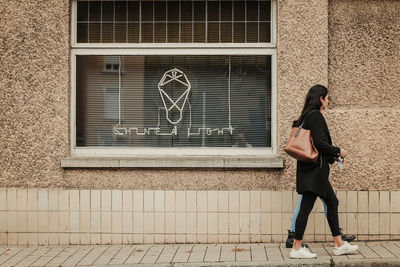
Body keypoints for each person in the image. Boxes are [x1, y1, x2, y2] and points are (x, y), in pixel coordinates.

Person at [289, 85, 359, 259]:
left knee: (332, 202)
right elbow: (320, 143)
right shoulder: (316, 116)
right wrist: (338, 151)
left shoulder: (306, 116)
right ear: (321, 98)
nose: (328, 101)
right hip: (315, 171)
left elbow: (315, 144)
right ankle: (296, 248)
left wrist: (331, 156)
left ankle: (339, 244)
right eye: (327, 98)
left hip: (311, 169)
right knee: (306, 207)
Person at [285, 195, 356, 248]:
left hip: (315, 179)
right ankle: (293, 238)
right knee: (329, 203)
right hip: (314, 179)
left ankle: (292, 237)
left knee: (330, 202)